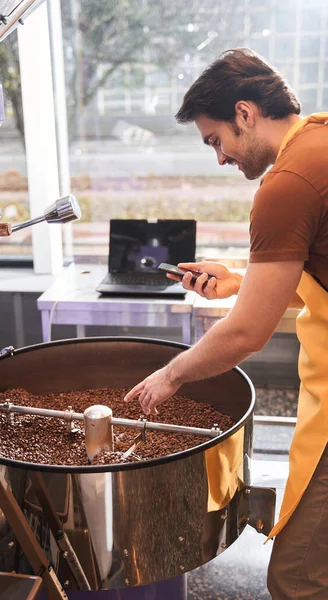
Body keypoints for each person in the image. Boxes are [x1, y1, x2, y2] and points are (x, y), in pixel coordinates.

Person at [124, 48, 328, 599]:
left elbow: (245, 334)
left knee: (297, 578)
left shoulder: (286, 184)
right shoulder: (320, 141)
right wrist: (242, 278)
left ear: (245, 113)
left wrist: (172, 375)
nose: (219, 158)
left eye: (216, 141)